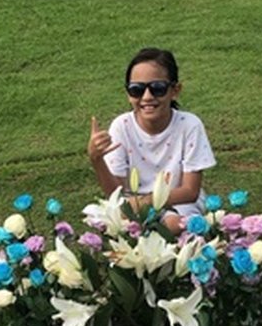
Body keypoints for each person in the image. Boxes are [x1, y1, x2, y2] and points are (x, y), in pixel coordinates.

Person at [87, 47, 216, 234]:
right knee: (106, 224)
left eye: (158, 88)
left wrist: (144, 202)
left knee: (174, 225)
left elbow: (190, 191)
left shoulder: (190, 125)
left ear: (175, 90)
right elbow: (115, 194)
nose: (147, 97)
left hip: (179, 203)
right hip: (134, 206)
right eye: (136, 90)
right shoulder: (121, 126)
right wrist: (96, 160)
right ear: (128, 93)